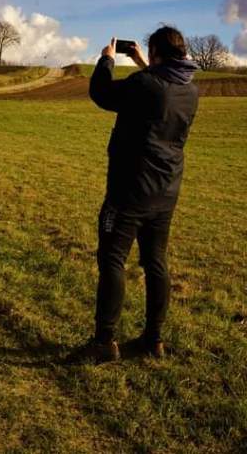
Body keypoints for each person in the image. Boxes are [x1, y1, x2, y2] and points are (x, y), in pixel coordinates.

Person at [69, 25, 199, 363]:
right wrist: (144, 62)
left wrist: (107, 61)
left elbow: (102, 94)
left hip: (128, 192)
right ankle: (153, 341)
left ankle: (103, 342)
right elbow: (163, 85)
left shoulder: (145, 84)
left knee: (112, 260)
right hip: (166, 192)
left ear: (156, 53)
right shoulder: (189, 89)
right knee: (156, 263)